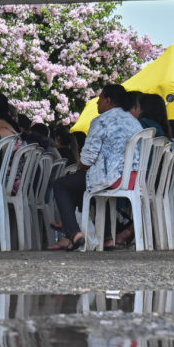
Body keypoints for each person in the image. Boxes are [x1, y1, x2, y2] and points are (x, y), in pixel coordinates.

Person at [47, 84, 143, 251]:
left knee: (62, 184)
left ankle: (73, 233)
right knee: (89, 185)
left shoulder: (102, 121)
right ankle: (106, 238)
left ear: (108, 100)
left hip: (111, 178)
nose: (97, 104)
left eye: (99, 99)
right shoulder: (135, 123)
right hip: (134, 178)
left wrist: (82, 166)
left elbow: (87, 159)